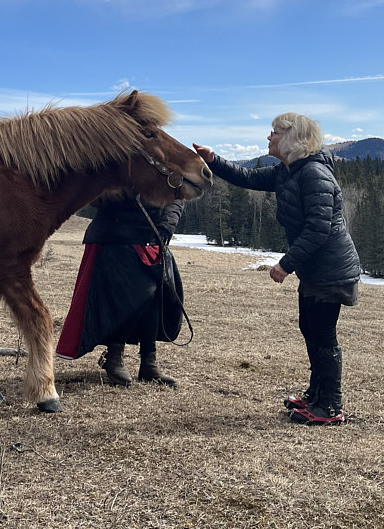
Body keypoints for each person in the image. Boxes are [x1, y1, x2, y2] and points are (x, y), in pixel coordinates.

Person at [193, 113, 361, 425]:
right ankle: (316, 396)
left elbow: (318, 229)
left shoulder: (314, 174)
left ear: (292, 139)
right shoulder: (287, 171)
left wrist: (285, 264)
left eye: (274, 133)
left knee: (323, 335)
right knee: (309, 329)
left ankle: (331, 407)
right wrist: (213, 160)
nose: (268, 138)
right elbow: (246, 178)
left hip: (332, 270)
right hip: (315, 270)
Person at [55, 195, 185, 388]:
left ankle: (149, 363)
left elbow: (177, 194)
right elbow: (100, 195)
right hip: (114, 236)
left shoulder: (170, 164)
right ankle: (114, 356)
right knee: (132, 296)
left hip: (152, 236)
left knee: (157, 295)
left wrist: (167, 225)